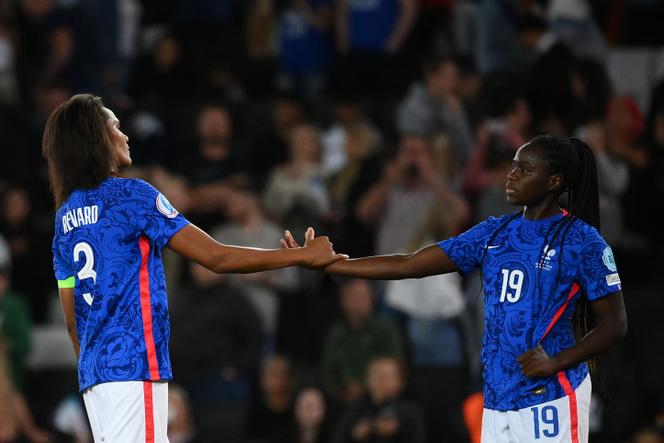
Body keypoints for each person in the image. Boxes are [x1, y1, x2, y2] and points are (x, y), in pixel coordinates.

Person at [41, 93, 345, 443]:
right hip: (133, 366)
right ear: (96, 138)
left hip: (95, 376)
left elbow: (70, 318)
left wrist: (96, 366)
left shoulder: (64, 219)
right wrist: (298, 256)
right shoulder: (133, 197)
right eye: (116, 127)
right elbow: (216, 257)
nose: (125, 137)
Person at [284, 134, 628, 442]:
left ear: (554, 181)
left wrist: (557, 361)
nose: (511, 176)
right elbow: (409, 265)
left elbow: (615, 323)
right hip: (498, 397)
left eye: (524, 170)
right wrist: (331, 263)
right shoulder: (494, 232)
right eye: (513, 167)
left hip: (550, 394)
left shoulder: (582, 241)